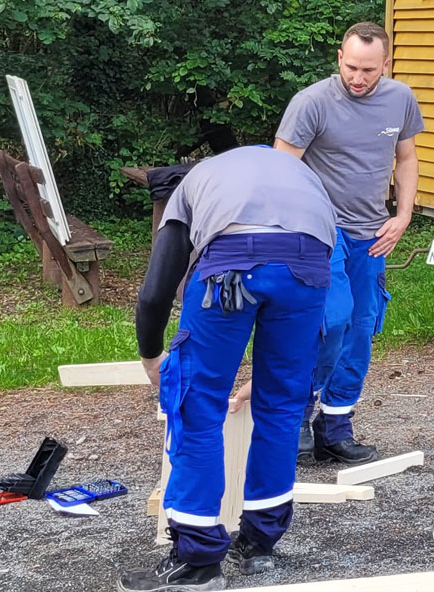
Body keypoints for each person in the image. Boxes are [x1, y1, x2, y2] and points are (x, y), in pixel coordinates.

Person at [119, 146, 336, 590]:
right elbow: (328, 299)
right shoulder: (304, 178)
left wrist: (151, 357)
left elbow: (155, 291)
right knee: (280, 408)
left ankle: (195, 559)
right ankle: (258, 543)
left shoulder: (191, 188)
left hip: (232, 266)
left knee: (197, 406)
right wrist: (282, 370)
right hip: (309, 267)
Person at [275, 22, 424, 465]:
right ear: (339, 57)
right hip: (320, 229)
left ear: (386, 66)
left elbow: (407, 157)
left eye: (369, 70)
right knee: (332, 318)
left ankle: (335, 427)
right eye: (352, 67)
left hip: (371, 230)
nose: (359, 78)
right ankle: (297, 414)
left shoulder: (400, 99)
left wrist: (403, 215)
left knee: (362, 327)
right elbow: (281, 169)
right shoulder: (312, 103)